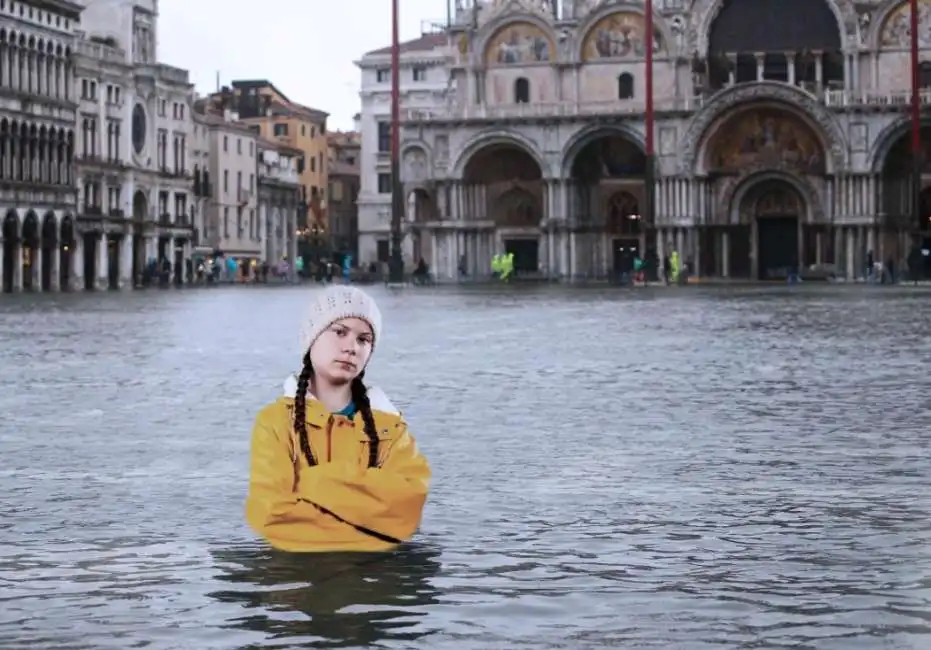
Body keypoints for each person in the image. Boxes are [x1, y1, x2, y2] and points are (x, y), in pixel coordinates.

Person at [246, 285, 431, 552]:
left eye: (363, 339)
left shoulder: (391, 429)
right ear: (312, 338)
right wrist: (369, 516)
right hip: (297, 586)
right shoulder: (274, 423)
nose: (351, 347)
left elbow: (407, 513)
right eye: (340, 332)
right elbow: (272, 515)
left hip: (374, 586)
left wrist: (311, 482)